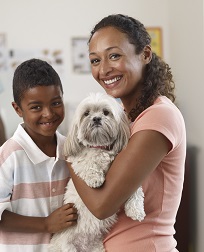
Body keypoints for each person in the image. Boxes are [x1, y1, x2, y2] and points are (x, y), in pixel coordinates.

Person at [68, 14, 186, 251]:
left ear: (145, 55)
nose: (104, 70)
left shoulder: (158, 116)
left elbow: (102, 205)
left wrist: (70, 153)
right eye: (95, 60)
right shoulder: (123, 116)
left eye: (114, 56)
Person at [0, 58, 77, 252]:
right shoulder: (9, 155)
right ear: (18, 109)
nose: (48, 114)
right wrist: (46, 224)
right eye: (36, 107)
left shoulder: (70, 150)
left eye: (56, 103)